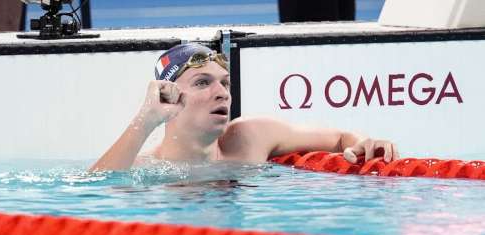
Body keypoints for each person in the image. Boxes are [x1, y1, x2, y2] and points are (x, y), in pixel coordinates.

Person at [90, 43, 398, 172]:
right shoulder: (147, 169)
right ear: (168, 97)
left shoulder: (250, 137)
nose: (222, 93)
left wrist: (364, 143)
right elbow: (95, 189)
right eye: (202, 82)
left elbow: (342, 138)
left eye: (224, 83)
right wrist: (146, 120)